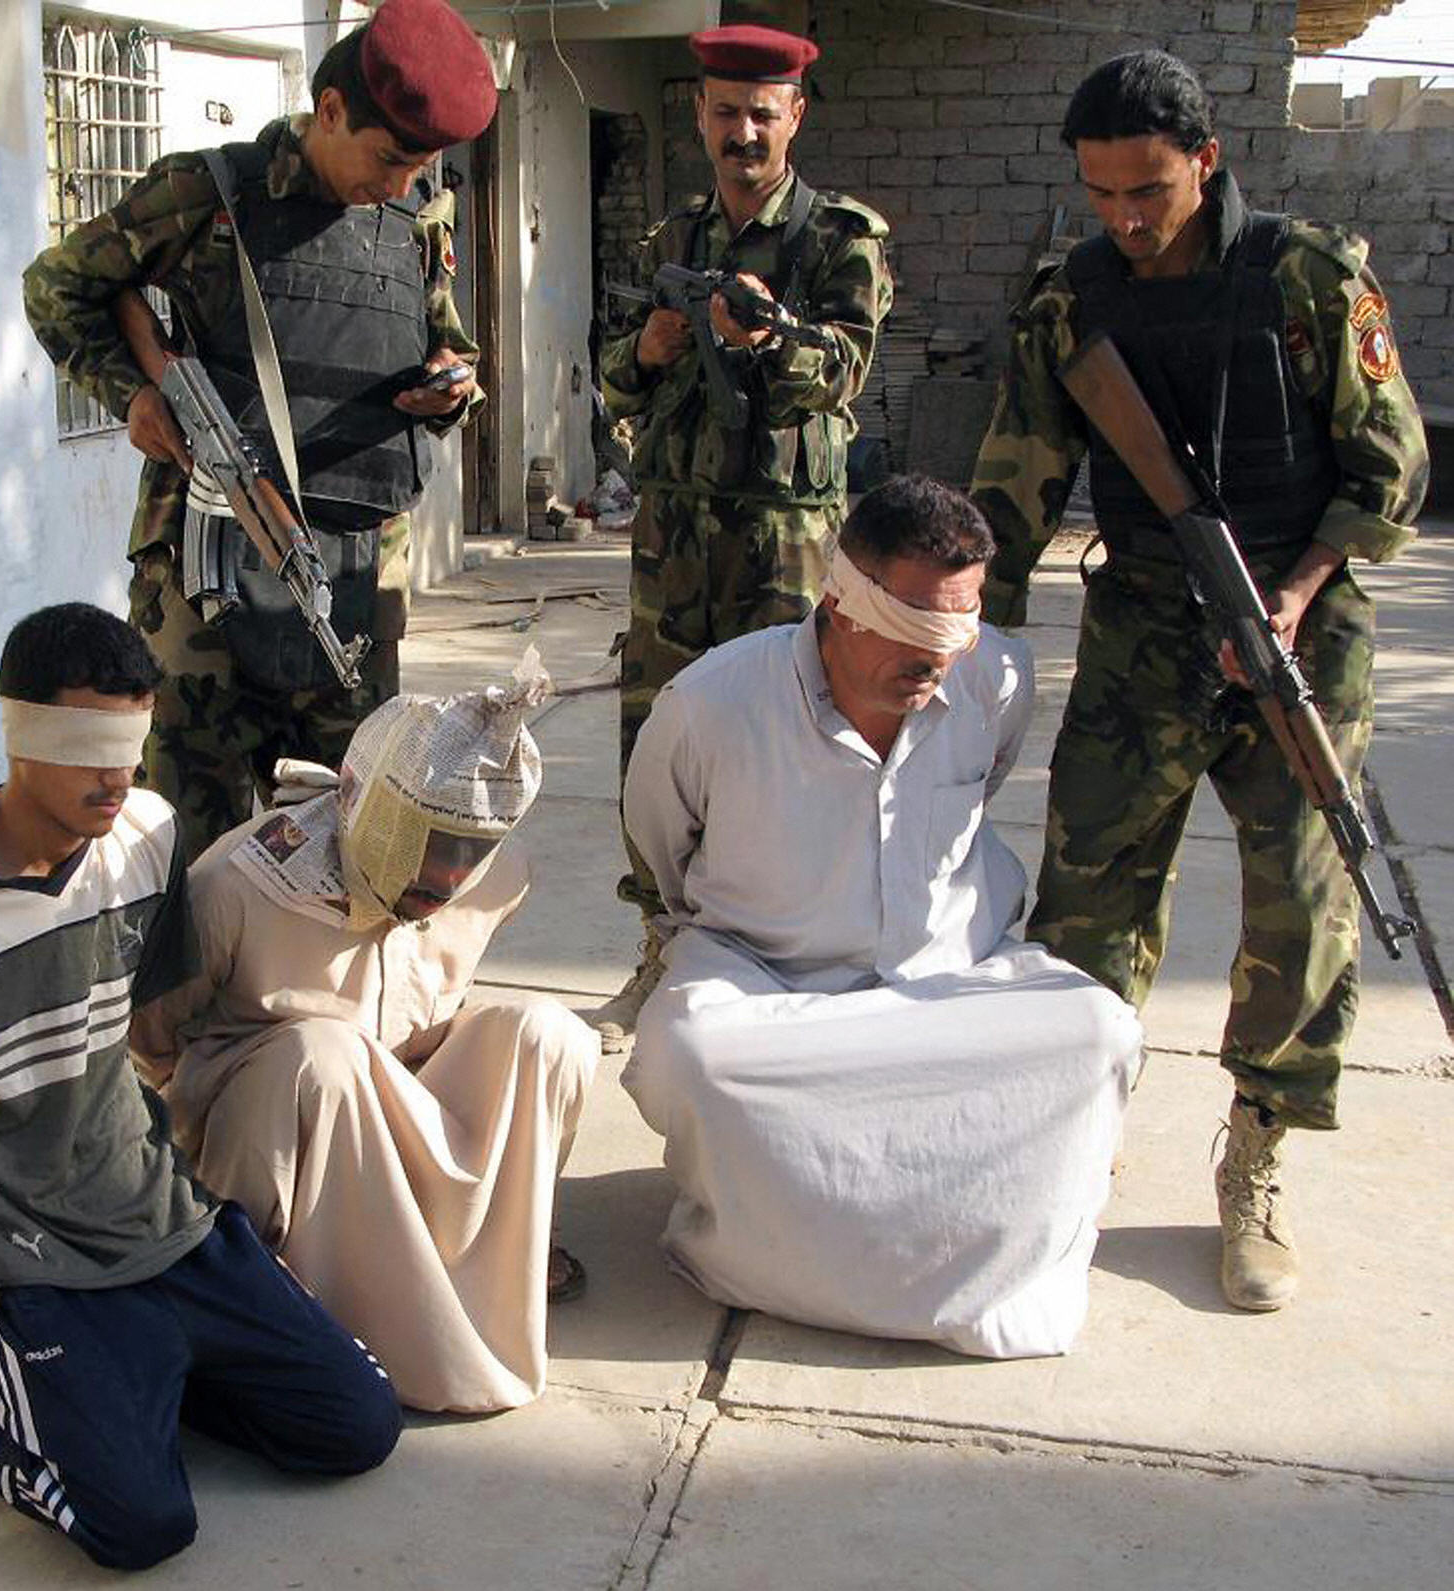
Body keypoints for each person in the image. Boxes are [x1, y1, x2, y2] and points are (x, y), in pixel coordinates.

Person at [967, 51, 1427, 1312]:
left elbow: (1389, 467)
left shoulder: (1308, 276)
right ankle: (1069, 1144)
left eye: (1151, 189)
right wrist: (956, 632)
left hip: (1300, 627)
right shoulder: (1076, 306)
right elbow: (1013, 484)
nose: (1126, 214)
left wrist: (1294, 587)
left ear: (1206, 161)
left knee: (1301, 904)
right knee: (1086, 899)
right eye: (1104, 191)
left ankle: (1257, 1161)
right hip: (1143, 634)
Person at [0, 603, 400, 1573]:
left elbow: (137, 1014)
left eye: (130, 744)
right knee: (138, 1527)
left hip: (163, 1221)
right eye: (87, 745)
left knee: (355, 1427)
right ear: (19, 733)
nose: (116, 775)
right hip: (21, 1260)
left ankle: (141, 1374)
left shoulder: (148, 835)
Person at [622, 476, 1143, 1359]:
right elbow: (662, 847)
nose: (940, 654)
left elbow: (988, 779)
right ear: (842, 600)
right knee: (695, 1057)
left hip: (950, 988)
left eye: (960, 622)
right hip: (774, 990)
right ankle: (760, 1249)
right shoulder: (712, 705)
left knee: (1100, 1031)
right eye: (913, 626)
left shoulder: (999, 677)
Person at [22, 0, 496, 857]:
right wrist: (131, 393)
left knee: (354, 838)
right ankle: (184, 989)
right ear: (331, 110)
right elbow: (58, 286)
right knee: (184, 838)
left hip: (348, 578)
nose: (397, 184)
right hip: (206, 569)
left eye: (417, 166)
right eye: (388, 158)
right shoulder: (209, 193)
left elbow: (445, 338)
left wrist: (453, 386)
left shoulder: (418, 214)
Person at [132, 658, 599, 1413]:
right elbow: (151, 1041)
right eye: (431, 843)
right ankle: (273, 1293)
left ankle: (491, 1251)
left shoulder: (498, 877)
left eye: (469, 849)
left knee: (551, 1035)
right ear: (368, 804)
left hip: (397, 1117)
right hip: (274, 1145)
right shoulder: (237, 885)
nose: (449, 877)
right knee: (325, 1055)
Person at [592, 22, 894, 1050]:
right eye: (725, 112)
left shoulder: (837, 239)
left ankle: (775, 972)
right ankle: (659, 953)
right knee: (659, 747)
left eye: (762, 113)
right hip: (673, 534)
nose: (743, 132)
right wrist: (651, 343)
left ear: (795, 116)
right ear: (699, 114)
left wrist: (771, 338)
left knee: (787, 747)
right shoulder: (670, 241)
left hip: (784, 539)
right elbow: (613, 379)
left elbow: (847, 369)